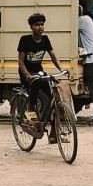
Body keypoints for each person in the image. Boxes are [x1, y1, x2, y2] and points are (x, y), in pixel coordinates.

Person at [17, 12, 65, 143]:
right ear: (31, 27)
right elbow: (21, 61)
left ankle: (52, 131)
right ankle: (31, 115)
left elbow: (53, 56)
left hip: (39, 72)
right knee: (33, 94)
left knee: (53, 97)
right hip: (27, 73)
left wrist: (61, 69)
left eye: (42, 24)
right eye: (37, 25)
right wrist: (27, 75)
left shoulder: (45, 39)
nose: (40, 27)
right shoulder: (25, 40)